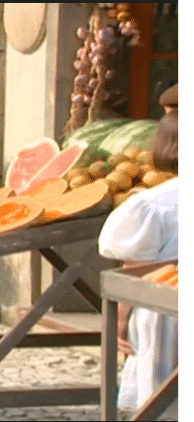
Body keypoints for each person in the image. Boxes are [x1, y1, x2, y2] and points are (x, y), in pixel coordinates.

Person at [98, 109, 178, 418]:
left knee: (160, 403)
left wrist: (119, 323)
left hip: (165, 316)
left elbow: (134, 271)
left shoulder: (151, 204)